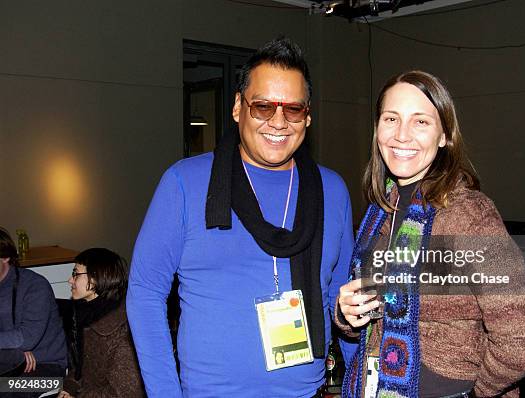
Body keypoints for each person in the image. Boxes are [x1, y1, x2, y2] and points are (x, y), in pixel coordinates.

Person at [127, 37, 356, 397]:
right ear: (238, 108)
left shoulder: (333, 191)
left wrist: (361, 385)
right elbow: (144, 293)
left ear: (308, 116)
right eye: (263, 106)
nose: (278, 122)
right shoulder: (184, 183)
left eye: (293, 109)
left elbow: (343, 300)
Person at [335, 71, 525, 398]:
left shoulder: (469, 215)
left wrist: (473, 393)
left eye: (420, 122)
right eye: (391, 118)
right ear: (377, 128)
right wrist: (347, 314)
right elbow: (376, 317)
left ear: (444, 136)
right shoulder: (382, 210)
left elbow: (522, 345)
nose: (401, 135)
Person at [59, 248, 144, 397]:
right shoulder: (82, 315)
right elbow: (79, 368)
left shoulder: (121, 332)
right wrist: (69, 388)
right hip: (85, 392)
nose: (70, 280)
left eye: (75, 274)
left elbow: (125, 393)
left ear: (96, 278)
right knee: (9, 386)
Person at [0, 227, 67, 397]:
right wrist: (15, 349)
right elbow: (18, 340)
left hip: (50, 370)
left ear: (5, 256)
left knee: (5, 390)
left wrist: (19, 345)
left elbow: (26, 338)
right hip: (10, 363)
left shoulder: (35, 286)